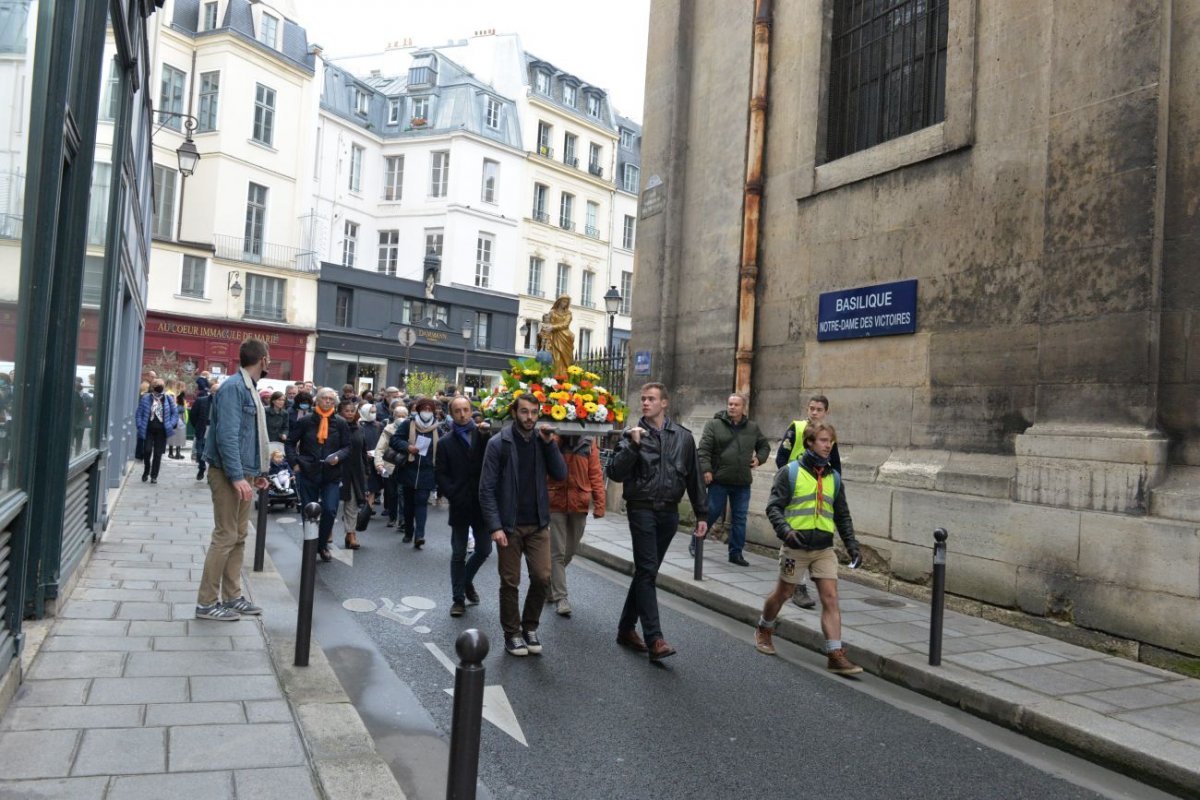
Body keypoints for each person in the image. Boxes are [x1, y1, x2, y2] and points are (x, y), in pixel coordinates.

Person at [607, 382, 708, 661]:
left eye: (651, 399)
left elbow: (694, 477)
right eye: (643, 399)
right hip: (642, 509)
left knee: (645, 572)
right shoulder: (631, 435)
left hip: (669, 513)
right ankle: (655, 639)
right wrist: (632, 446)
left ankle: (626, 629)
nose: (645, 403)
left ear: (665, 403)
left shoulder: (684, 438)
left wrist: (702, 514)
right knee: (648, 570)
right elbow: (614, 472)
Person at [754, 421, 863, 675]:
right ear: (810, 443)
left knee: (830, 597)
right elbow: (773, 507)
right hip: (796, 546)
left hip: (824, 549)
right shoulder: (790, 472)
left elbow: (842, 516)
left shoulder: (834, 477)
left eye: (831, 442)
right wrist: (786, 532)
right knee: (783, 594)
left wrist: (852, 545)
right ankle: (764, 628)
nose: (829, 446)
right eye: (824, 441)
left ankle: (835, 654)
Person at [479, 393, 567, 656]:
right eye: (525, 412)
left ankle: (530, 626)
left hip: (539, 523)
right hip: (509, 525)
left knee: (542, 577)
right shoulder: (499, 443)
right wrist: (495, 526)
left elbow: (561, 474)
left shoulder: (544, 442)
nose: (530, 417)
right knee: (510, 581)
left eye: (534, 412)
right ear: (515, 412)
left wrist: (550, 444)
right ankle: (512, 633)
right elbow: (486, 489)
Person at [195, 338, 272, 621]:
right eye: (268, 357)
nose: (269, 361)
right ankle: (206, 603)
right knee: (226, 535)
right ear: (263, 359)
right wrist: (239, 476)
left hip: (244, 472)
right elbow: (227, 436)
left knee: (239, 536)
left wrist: (257, 473)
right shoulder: (234, 388)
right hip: (229, 473)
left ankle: (232, 596)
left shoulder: (247, 388)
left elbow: (248, 437)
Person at [774, 394, 840, 609]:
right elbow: (781, 457)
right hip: (797, 490)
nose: (814, 412)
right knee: (795, 537)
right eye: (811, 408)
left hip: (820, 494)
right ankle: (797, 586)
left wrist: (834, 490)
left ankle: (812, 581)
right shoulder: (797, 427)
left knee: (817, 540)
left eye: (819, 409)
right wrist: (792, 481)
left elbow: (836, 465)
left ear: (826, 412)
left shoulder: (829, 435)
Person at [696, 393, 771, 566]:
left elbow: (764, 446)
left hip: (742, 482)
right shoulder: (714, 425)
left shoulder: (752, 428)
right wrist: (706, 470)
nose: (732, 407)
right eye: (730, 404)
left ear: (743, 407)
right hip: (719, 480)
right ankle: (697, 543)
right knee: (711, 513)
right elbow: (704, 449)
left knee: (739, 518)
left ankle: (736, 553)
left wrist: (759, 458)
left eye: (736, 404)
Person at [435, 396, 494, 617]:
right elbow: (440, 473)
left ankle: (466, 580)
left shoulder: (483, 436)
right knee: (458, 553)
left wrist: (488, 434)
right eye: (458, 410)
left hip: (481, 504)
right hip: (460, 504)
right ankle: (458, 598)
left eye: (466, 410)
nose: (462, 414)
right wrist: (453, 494)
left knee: (484, 549)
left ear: (471, 411)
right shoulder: (445, 442)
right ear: (452, 413)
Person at [547, 433, 605, 617]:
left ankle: (549, 582)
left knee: (570, 551)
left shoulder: (589, 442)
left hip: (578, 502)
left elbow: (595, 474)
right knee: (558, 552)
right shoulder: (553, 440)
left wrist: (599, 504)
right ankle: (561, 598)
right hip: (555, 501)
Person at [293, 387, 352, 561]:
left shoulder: (340, 422)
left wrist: (338, 457)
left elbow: (347, 446)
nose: (327, 401)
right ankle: (310, 546)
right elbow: (290, 442)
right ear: (317, 401)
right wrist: (295, 463)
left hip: (331, 473)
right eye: (324, 398)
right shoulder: (306, 421)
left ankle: (321, 545)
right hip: (308, 471)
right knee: (309, 510)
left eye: (331, 399)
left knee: (330, 509)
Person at [388, 396, 439, 548]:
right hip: (408, 470)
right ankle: (408, 532)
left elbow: (442, 448)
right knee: (409, 505)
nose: (427, 412)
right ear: (418, 410)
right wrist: (407, 446)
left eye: (430, 409)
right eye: (424, 409)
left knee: (422, 503)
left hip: (427, 472)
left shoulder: (437, 428)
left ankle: (420, 535)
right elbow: (394, 440)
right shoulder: (407, 424)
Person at [136, 379, 179, 484]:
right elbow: (139, 413)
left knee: (158, 454)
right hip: (148, 429)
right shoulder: (146, 398)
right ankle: (146, 470)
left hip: (162, 431)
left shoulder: (168, 399)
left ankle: (154, 476)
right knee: (147, 450)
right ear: (152, 386)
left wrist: (171, 424)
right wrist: (140, 424)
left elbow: (175, 414)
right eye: (156, 385)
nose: (158, 387)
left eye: (160, 385)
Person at [338, 399, 367, 551]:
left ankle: (351, 534)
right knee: (330, 505)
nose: (349, 413)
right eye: (346, 411)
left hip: (355, 471)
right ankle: (327, 531)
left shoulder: (359, 428)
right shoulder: (334, 426)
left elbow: (363, 451)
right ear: (340, 412)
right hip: (336, 470)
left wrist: (366, 471)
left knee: (352, 504)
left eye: (352, 411)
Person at [374, 401, 409, 528]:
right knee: (391, 493)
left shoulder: (412, 429)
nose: (400, 418)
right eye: (397, 415)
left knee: (402, 494)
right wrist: (378, 464)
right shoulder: (388, 429)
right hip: (390, 465)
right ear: (393, 416)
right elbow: (380, 448)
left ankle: (403, 520)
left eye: (403, 416)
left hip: (405, 465)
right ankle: (392, 517)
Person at [539, 294, 575, 375]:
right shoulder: (552, 312)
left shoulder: (568, 313)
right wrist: (545, 331)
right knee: (556, 357)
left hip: (565, 336)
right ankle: (556, 375)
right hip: (554, 336)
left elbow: (566, 324)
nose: (565, 304)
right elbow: (547, 323)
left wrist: (553, 327)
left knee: (566, 358)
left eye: (566, 302)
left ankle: (565, 375)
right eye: (563, 301)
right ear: (559, 301)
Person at [190, 376, 212, 481]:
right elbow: (193, 415)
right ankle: (202, 467)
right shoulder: (201, 401)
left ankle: (210, 474)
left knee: (213, 454)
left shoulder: (222, 403)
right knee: (200, 452)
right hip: (202, 429)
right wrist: (197, 426)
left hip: (214, 430)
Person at [167, 385, 189, 459]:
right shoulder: (175, 398)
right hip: (178, 421)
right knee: (177, 437)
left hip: (177, 421)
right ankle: (175, 453)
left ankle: (174, 453)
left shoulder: (176, 398)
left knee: (175, 437)